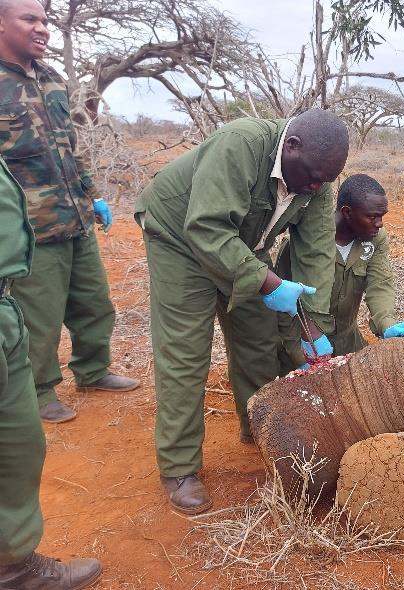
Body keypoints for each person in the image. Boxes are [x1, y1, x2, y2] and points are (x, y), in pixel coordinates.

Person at [135, 108, 349, 514]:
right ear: (291, 146)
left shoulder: (316, 181)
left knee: (258, 339)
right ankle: (179, 467)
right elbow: (207, 229)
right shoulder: (240, 143)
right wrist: (268, 283)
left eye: (326, 180)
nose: (317, 187)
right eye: (313, 177)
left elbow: (316, 252)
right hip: (180, 237)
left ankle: (260, 429)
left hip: (244, 244)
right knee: (186, 352)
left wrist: (314, 325)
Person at [0, 0, 139, 425]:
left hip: (75, 217)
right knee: (38, 317)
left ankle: (93, 370)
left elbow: (70, 149)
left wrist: (92, 196)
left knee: (94, 302)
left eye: (45, 20)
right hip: (29, 229)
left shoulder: (52, 80)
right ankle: (39, 391)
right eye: (30, 19)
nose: (42, 28)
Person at [0, 156, 102, 589]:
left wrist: (90, 194)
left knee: (19, 446)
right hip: (41, 244)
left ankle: (12, 566)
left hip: (7, 297)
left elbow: (68, 153)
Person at [277, 174, 404, 369]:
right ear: (347, 212)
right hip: (305, 346)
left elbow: (380, 284)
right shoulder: (304, 243)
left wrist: (387, 324)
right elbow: (283, 311)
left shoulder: (375, 240)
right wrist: (301, 358)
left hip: (348, 344)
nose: (380, 224)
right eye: (372, 216)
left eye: (382, 216)